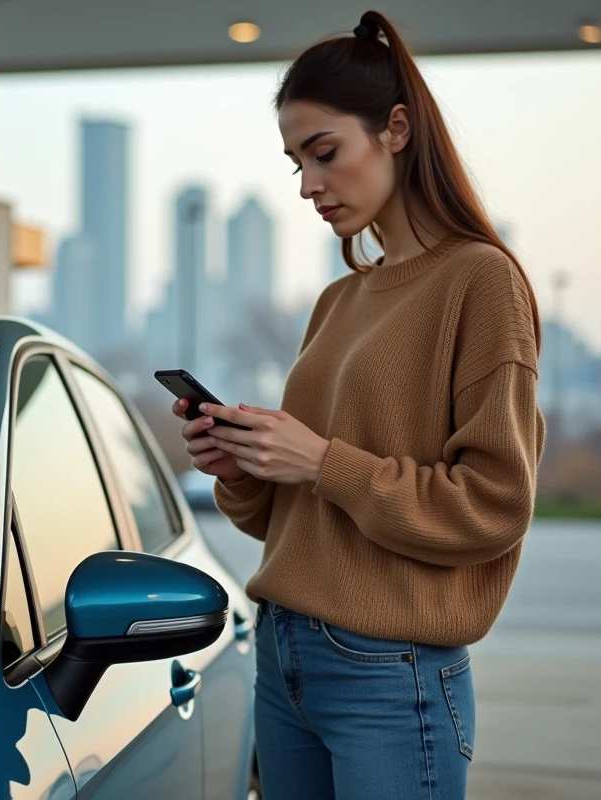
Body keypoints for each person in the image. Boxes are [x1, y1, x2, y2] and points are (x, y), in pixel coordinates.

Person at [172, 10, 545, 800]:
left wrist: (319, 460)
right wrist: (242, 468)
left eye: (325, 153)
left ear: (397, 130)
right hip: (285, 656)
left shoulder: (481, 282)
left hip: (391, 673)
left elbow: (494, 507)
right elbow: (296, 514)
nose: (308, 184)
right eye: (295, 162)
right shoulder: (339, 300)